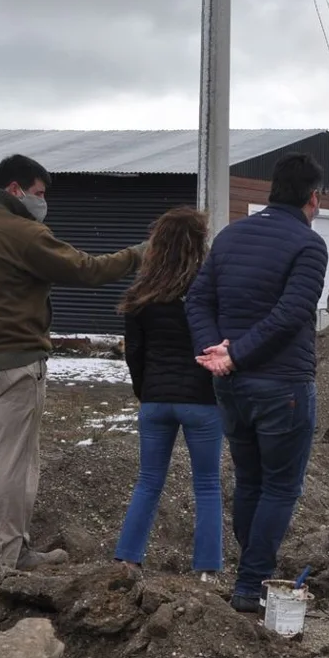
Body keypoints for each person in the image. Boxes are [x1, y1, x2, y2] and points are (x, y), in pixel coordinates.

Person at [0, 154, 146, 574]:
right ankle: (12, 554)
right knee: (14, 459)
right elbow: (86, 269)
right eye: (40, 193)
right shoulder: (23, 233)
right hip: (16, 364)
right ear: (16, 189)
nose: (42, 201)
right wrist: (138, 254)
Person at [185, 152, 328, 614]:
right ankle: (250, 584)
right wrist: (233, 354)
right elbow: (292, 314)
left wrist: (217, 354)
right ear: (313, 198)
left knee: (249, 480)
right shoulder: (308, 245)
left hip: (232, 386)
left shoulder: (230, 236)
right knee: (281, 487)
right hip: (282, 386)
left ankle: (251, 569)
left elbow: (198, 300)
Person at [113, 207, 224, 581]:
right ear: (199, 243)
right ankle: (207, 569)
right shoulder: (210, 292)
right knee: (207, 484)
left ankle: (127, 559)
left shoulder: (141, 295)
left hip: (156, 399)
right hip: (202, 401)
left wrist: (145, 391)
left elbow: (135, 353)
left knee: (148, 480)